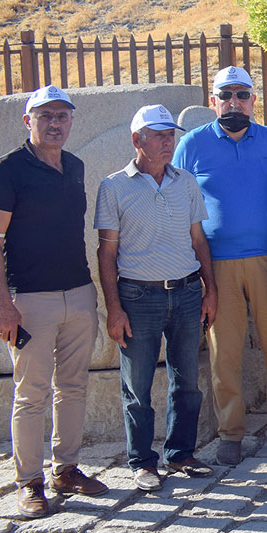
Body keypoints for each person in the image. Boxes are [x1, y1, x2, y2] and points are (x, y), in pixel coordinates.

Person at [172, 66, 267, 465]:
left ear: (254, 100)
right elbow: (180, 206)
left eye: (242, 95)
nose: (235, 102)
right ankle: (230, 432)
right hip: (216, 267)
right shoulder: (192, 145)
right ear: (212, 101)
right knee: (224, 352)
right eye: (226, 95)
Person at [95, 104, 217, 491]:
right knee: (138, 385)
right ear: (137, 140)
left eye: (171, 135)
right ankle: (143, 461)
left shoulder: (185, 182)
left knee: (187, 380)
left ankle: (180, 453)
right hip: (138, 296)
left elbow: (199, 240)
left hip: (184, 292)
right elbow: (107, 253)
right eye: (159, 136)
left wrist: (209, 289)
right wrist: (114, 308)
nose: (168, 142)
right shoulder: (114, 186)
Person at [0, 86, 107, 516]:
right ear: (28, 121)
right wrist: (3, 304)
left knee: (74, 386)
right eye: (45, 116)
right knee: (31, 393)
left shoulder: (75, 166)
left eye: (62, 115)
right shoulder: (9, 170)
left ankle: (67, 468)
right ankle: (29, 480)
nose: (55, 123)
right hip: (29, 300)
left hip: (78, 293)